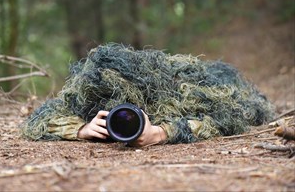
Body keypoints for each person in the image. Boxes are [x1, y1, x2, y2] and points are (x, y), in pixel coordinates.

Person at [21, 43, 275, 147]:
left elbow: (226, 116)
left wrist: (161, 132)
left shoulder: (174, 91)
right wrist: (81, 129)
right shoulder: (91, 91)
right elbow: (44, 117)